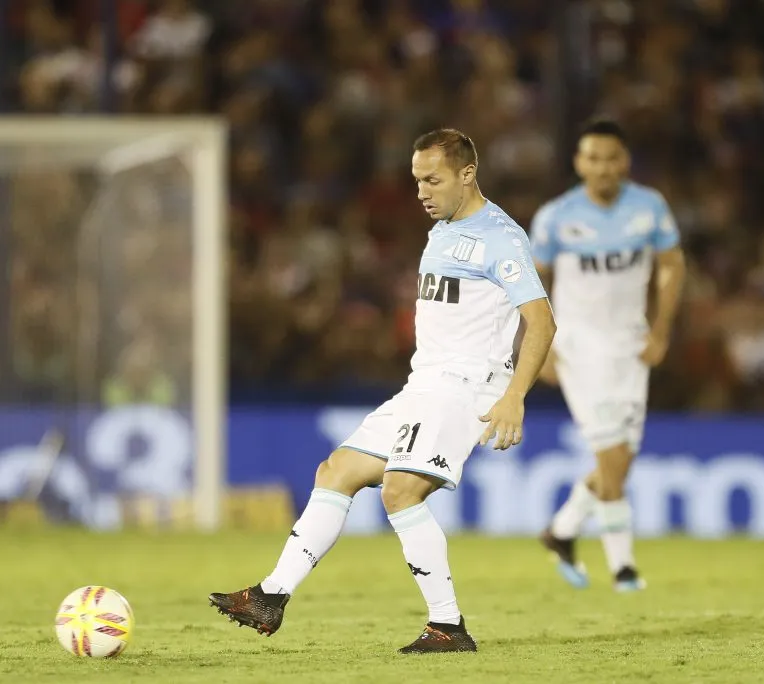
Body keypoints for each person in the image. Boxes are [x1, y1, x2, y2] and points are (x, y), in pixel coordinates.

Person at [209, 129, 556, 653]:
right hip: (424, 384)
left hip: (464, 388)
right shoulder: (442, 230)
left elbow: (542, 321)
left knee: (400, 491)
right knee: (337, 471)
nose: (421, 191)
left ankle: (448, 627)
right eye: (417, 180)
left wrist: (515, 396)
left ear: (467, 174)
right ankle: (270, 597)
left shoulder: (500, 238)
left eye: (433, 180)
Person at [531, 118, 685, 592]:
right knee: (612, 454)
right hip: (578, 347)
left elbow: (672, 264)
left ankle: (562, 530)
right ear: (579, 163)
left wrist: (661, 329)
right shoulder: (555, 217)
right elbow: (532, 282)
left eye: (610, 158)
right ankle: (624, 569)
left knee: (622, 458)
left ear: (625, 162)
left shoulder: (649, 207)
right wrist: (540, 346)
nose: (602, 167)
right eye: (593, 158)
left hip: (631, 345)